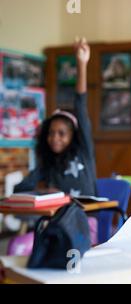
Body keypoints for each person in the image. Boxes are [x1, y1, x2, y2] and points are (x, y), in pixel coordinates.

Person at [14, 38, 97, 197]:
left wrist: (81, 64)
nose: (54, 138)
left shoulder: (83, 150)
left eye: (61, 133)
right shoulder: (48, 162)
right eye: (51, 133)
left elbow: (80, 103)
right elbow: (20, 188)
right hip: (57, 218)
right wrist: (44, 191)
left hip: (86, 217)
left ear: (73, 136)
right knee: (43, 223)